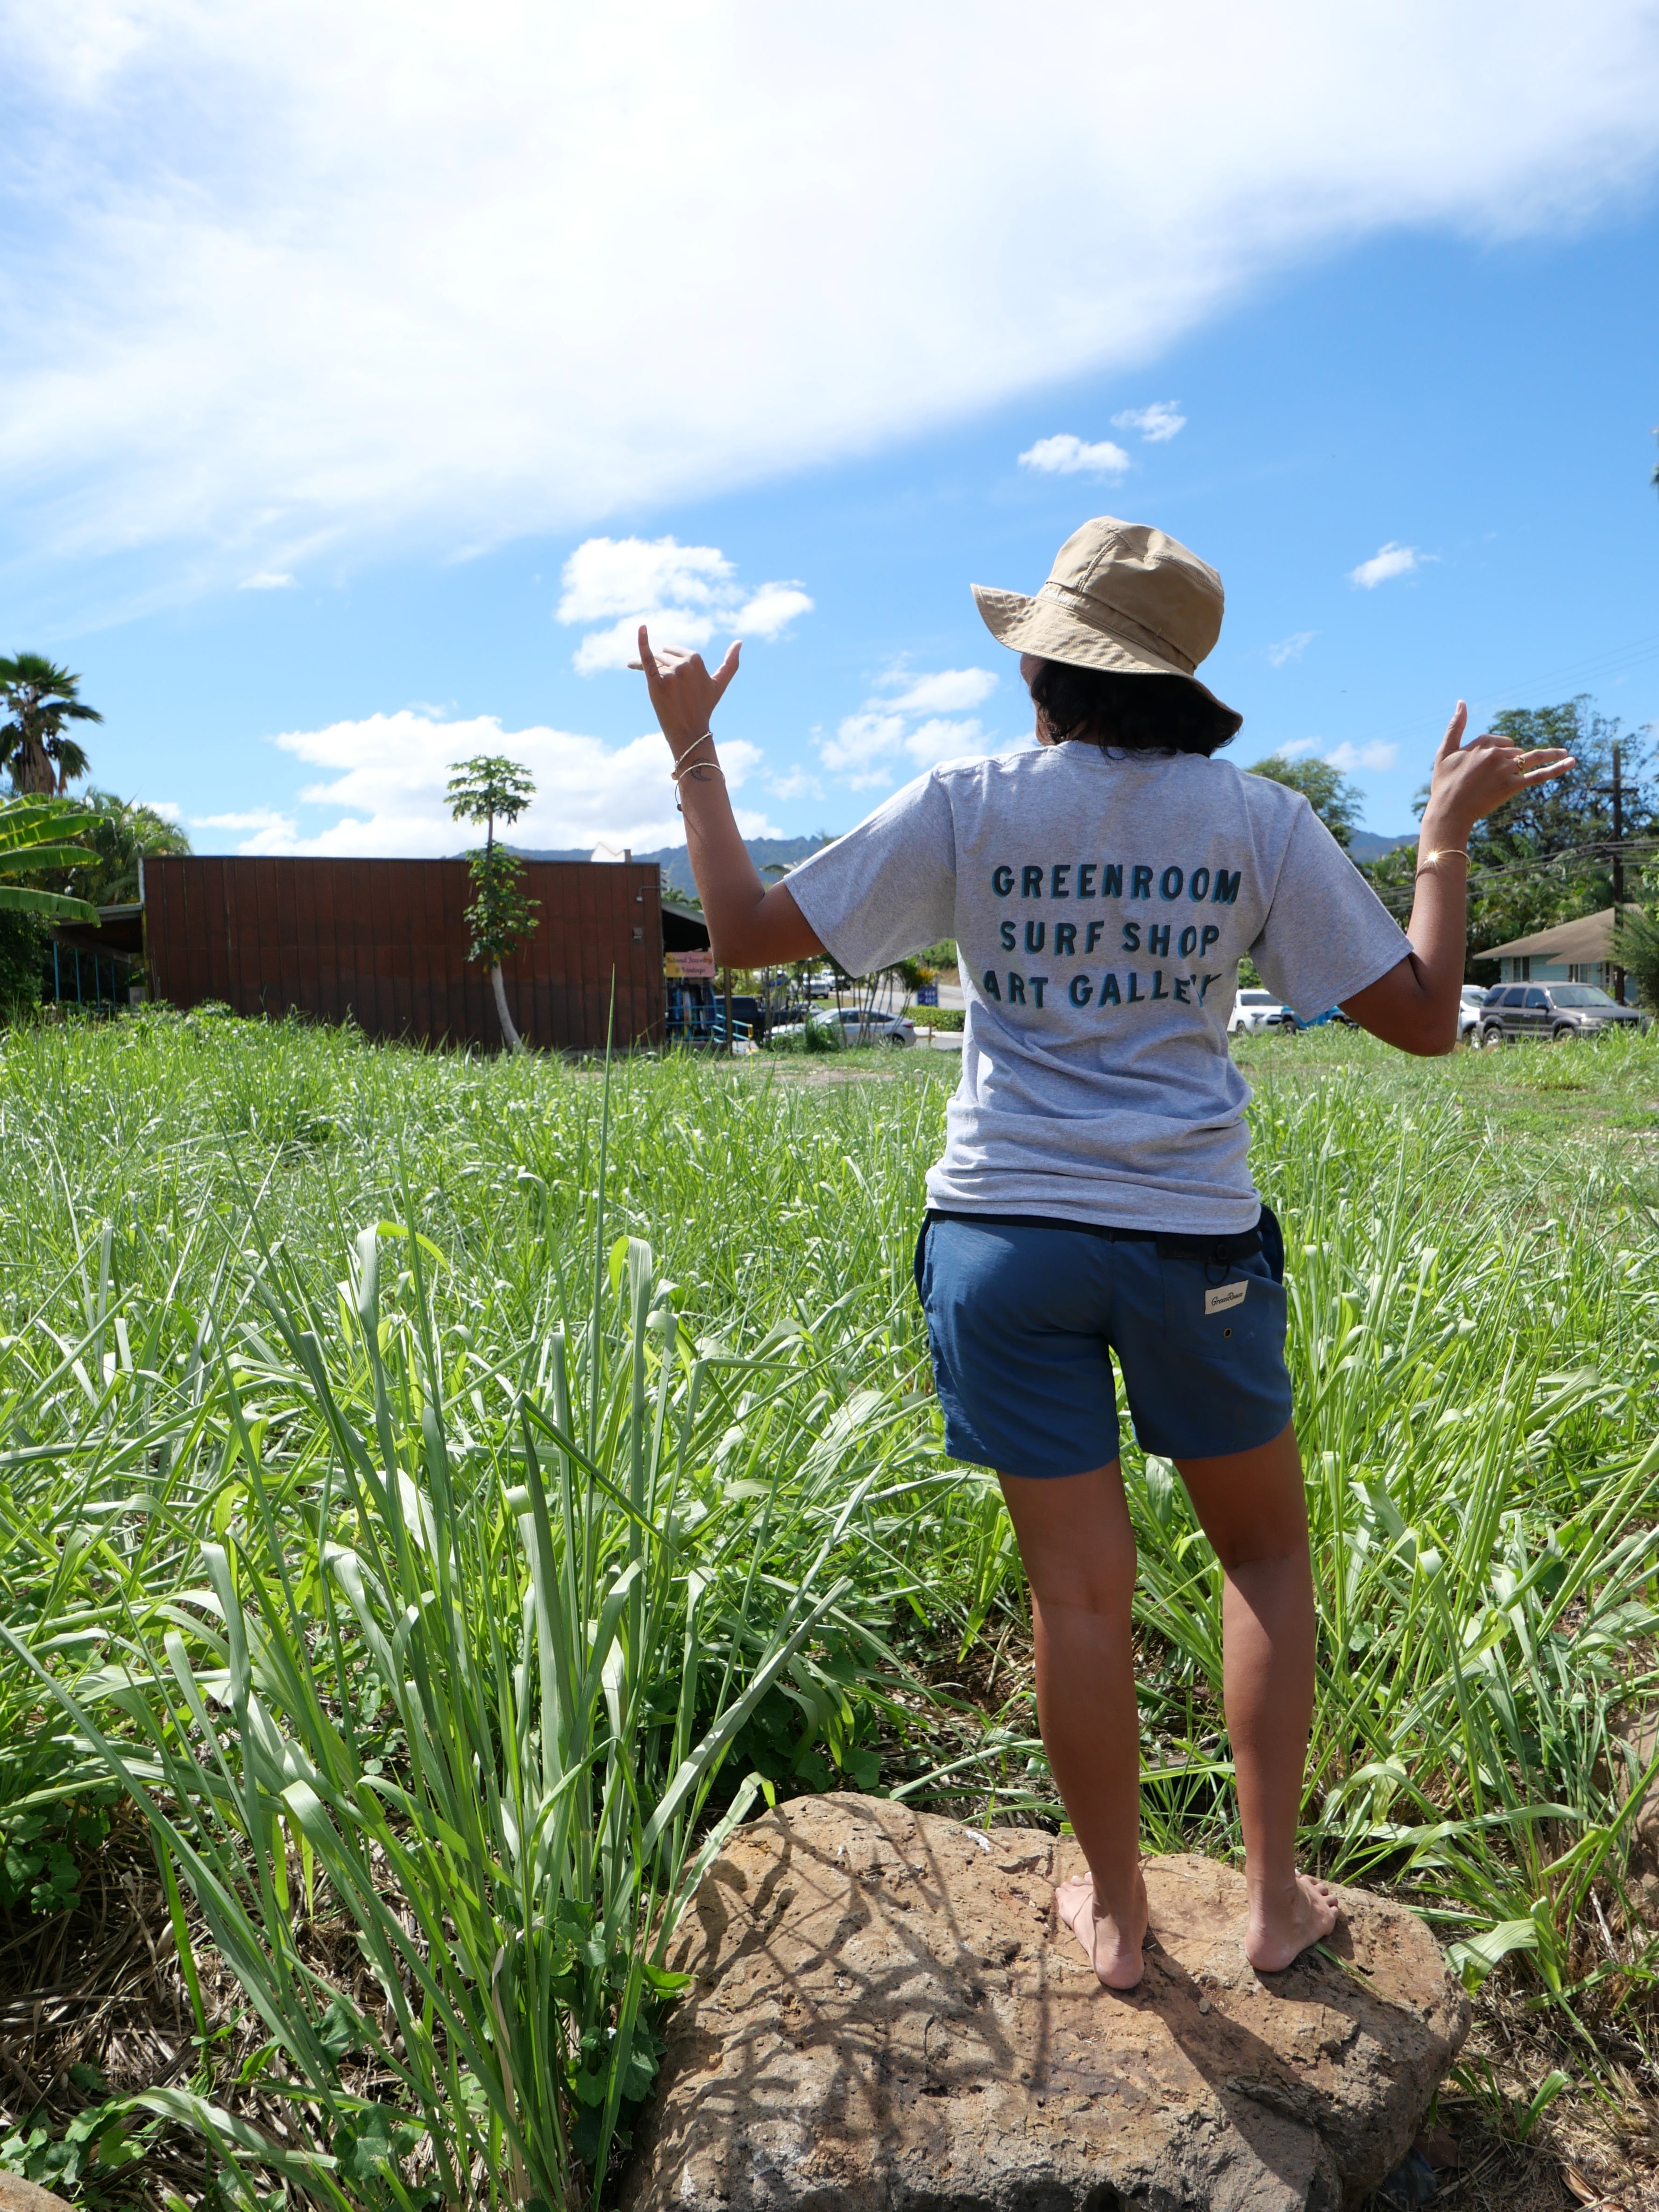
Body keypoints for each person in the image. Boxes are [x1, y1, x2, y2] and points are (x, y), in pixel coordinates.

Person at [633, 516, 1573, 1989]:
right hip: (1190, 1236)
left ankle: (1119, 1920)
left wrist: (693, 750)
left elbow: (745, 931)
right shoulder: (1257, 820)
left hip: (1003, 1238)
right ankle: (1272, 1908)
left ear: (1045, 669)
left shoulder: (973, 803)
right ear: (1179, 676)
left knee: (1077, 1593)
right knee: (1261, 1551)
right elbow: (1426, 1018)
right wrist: (1440, 840)